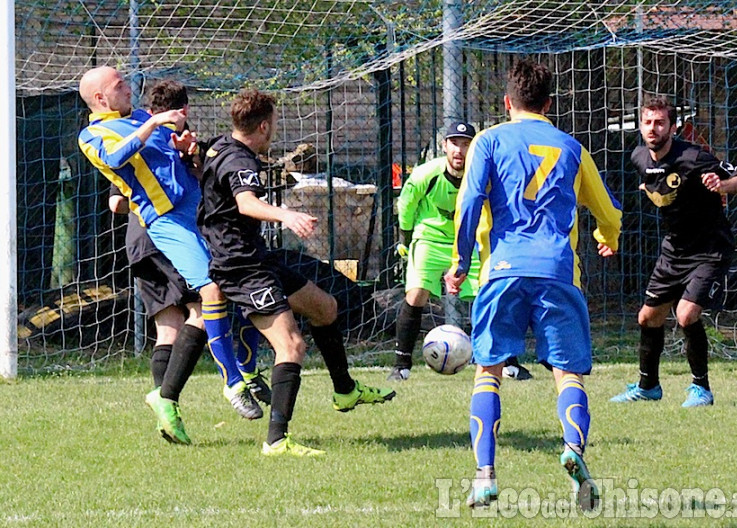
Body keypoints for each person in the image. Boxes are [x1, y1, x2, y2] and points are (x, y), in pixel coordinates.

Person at [444, 58, 622, 509]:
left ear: (507, 102)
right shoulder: (571, 147)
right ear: (548, 103)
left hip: (501, 270)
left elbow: (469, 204)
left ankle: (485, 476)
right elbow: (610, 212)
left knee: (489, 372)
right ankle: (573, 450)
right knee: (569, 374)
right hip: (559, 271)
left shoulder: (488, 141)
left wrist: (460, 261)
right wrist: (607, 236)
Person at [198, 87, 396, 456]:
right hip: (242, 267)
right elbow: (246, 203)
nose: (274, 131)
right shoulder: (241, 162)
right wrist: (286, 214)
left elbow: (202, 162)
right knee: (291, 345)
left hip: (256, 257)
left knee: (325, 308)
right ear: (262, 126)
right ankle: (277, 440)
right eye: (272, 124)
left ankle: (345, 391)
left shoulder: (218, 146)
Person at [78, 67, 263, 446]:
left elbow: (170, 157)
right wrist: (157, 122)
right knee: (208, 293)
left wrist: (184, 150)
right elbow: (116, 157)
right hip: (163, 220)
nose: (129, 89)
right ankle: (233, 381)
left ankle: (237, 373)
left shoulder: (142, 117)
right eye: (120, 86)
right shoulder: (93, 134)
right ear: (100, 98)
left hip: (196, 208)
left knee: (233, 281)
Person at [611, 95, 737, 408]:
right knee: (648, 317)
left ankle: (701, 388)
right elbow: (655, 185)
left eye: (660, 122)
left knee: (686, 314)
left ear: (672, 128)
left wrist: (722, 185)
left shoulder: (694, 155)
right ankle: (648, 387)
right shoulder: (638, 157)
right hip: (674, 249)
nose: (653, 128)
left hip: (710, 247)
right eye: (647, 122)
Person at [388, 121, 531, 382]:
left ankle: (508, 362)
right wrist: (405, 240)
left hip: (469, 240)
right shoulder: (425, 175)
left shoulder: (484, 175)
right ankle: (401, 365)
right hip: (430, 238)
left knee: (489, 295)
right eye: (454, 143)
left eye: (466, 144)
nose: (459, 151)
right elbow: (407, 206)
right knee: (416, 292)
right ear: (444, 146)